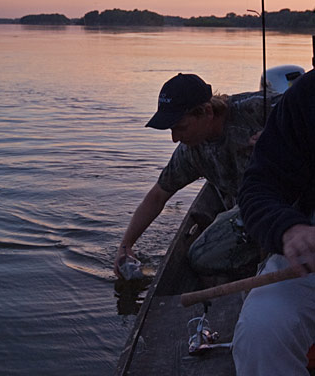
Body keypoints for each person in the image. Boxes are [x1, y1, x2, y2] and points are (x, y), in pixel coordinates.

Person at [114, 72, 279, 278]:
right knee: (201, 257)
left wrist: (280, 134)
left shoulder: (257, 108)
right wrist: (125, 245)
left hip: (287, 200)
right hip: (249, 211)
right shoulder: (191, 150)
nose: (175, 139)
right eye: (171, 130)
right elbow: (157, 196)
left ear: (207, 112)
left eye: (181, 127)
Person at [232, 68, 315, 376]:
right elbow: (258, 186)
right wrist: (290, 229)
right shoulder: (307, 95)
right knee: (261, 330)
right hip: (310, 260)